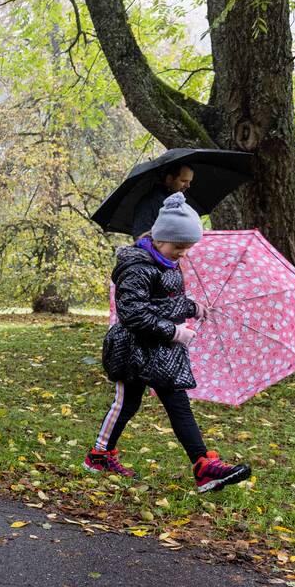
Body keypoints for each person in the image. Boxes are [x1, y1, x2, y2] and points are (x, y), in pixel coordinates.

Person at [86, 193, 251, 494]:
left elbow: (165, 301)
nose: (183, 254)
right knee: (127, 403)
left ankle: (203, 466)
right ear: (161, 238)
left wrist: (192, 307)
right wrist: (175, 332)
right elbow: (133, 312)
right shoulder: (136, 267)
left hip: (161, 351)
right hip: (133, 349)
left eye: (187, 248)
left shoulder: (167, 263)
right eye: (179, 247)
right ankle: (99, 455)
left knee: (178, 402)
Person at [131, 162, 194, 239]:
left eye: (189, 182)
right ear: (169, 179)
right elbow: (140, 237)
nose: (188, 186)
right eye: (183, 181)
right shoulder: (149, 202)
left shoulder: (178, 201)